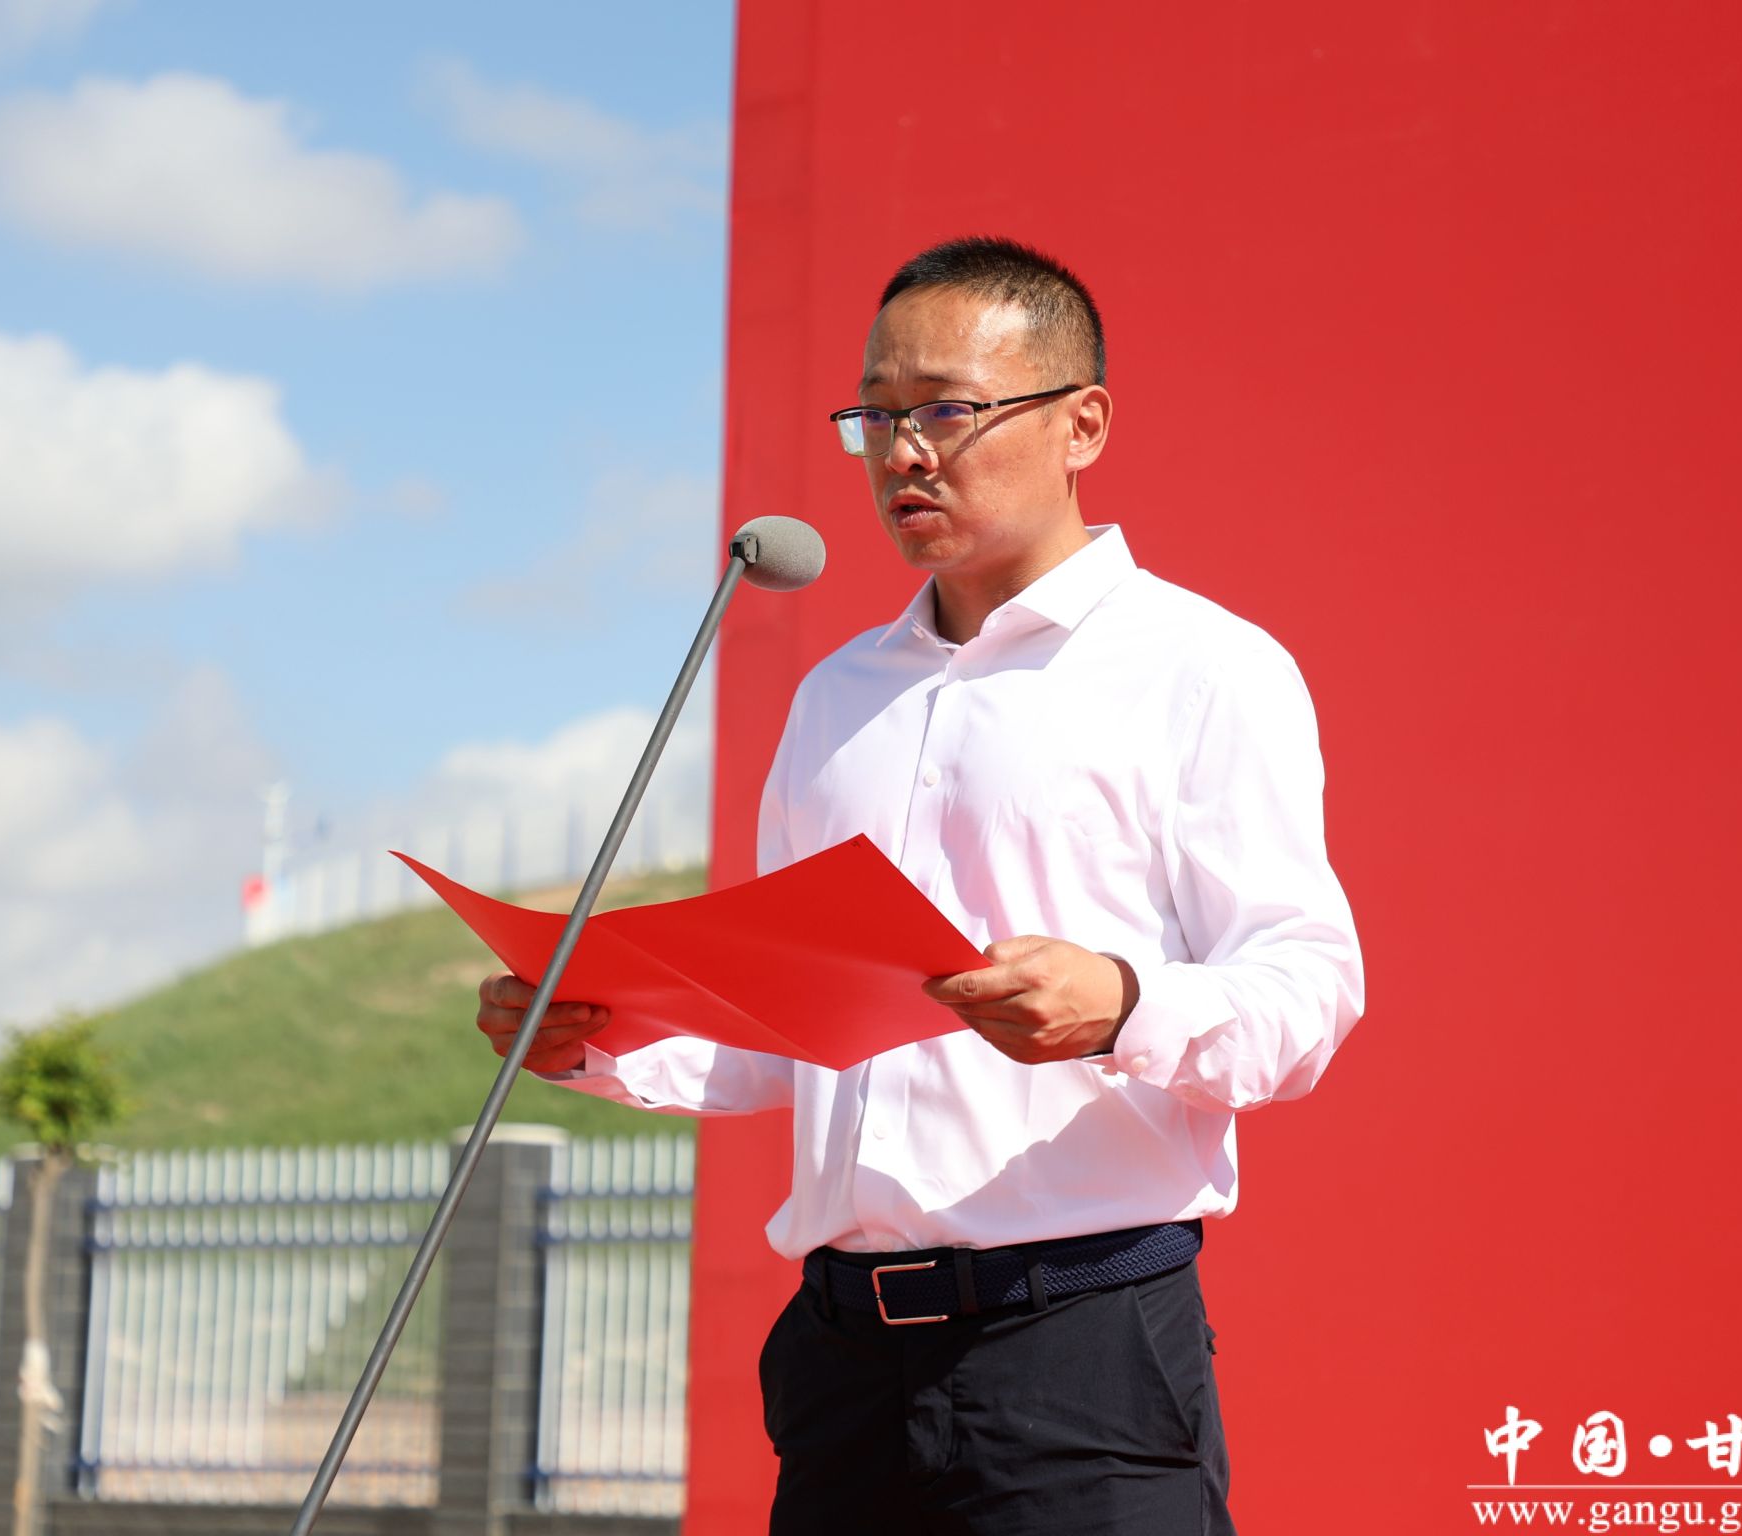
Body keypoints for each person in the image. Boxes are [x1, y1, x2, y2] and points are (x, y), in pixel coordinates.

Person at [476, 236, 1364, 1534]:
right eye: (876, 417)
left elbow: (1307, 989)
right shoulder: (839, 698)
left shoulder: (1202, 668)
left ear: (1082, 424)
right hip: (842, 1373)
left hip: (1077, 1356)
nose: (903, 453)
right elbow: (791, 1028)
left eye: (946, 410)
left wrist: (1123, 1004)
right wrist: (593, 1038)